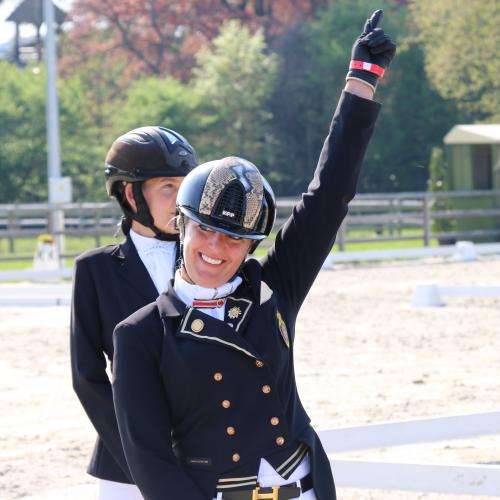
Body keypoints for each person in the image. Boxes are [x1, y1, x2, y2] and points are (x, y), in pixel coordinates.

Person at [112, 10, 395, 500]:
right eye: (205, 231)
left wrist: (361, 83)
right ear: (181, 224)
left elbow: (327, 198)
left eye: (235, 239)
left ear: (251, 246)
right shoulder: (139, 336)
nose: (216, 250)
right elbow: (152, 464)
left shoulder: (272, 288)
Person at [70, 126, 198, 499]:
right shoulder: (95, 271)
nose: (180, 199)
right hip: (125, 464)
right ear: (131, 193)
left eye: (185, 187)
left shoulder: (207, 259)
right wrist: (137, 453)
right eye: (168, 188)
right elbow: (86, 375)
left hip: (203, 451)